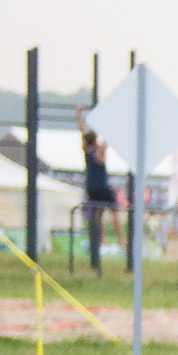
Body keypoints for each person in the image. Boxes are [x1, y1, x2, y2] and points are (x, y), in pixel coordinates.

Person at [76, 108, 114, 276]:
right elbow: (104, 144)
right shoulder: (98, 152)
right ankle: (112, 238)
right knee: (109, 212)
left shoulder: (87, 150)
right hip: (101, 187)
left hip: (92, 187)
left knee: (97, 216)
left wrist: (79, 114)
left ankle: (101, 237)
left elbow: (82, 129)